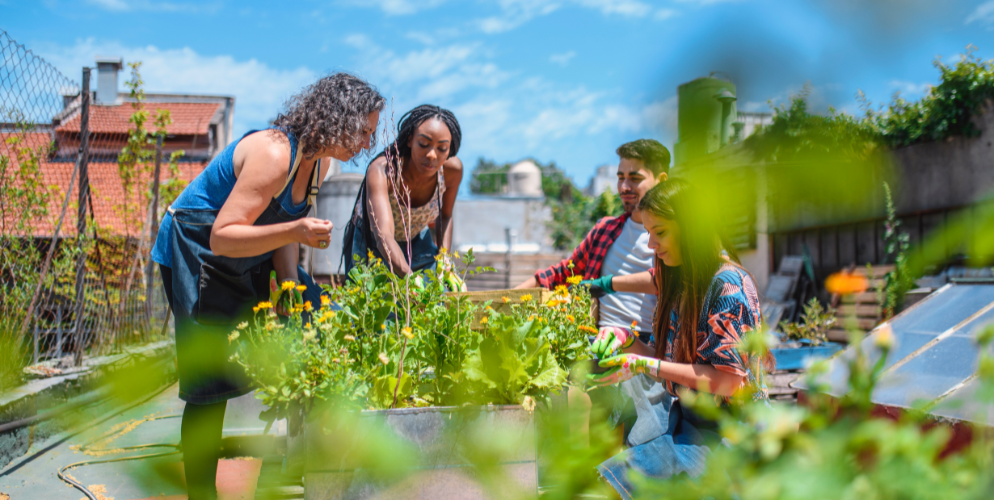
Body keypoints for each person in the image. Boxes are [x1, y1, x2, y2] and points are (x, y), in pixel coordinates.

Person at [150, 73, 385, 500]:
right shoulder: (275, 154)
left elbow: (282, 231)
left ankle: (309, 460)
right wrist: (297, 230)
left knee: (315, 317)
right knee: (210, 385)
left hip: (245, 253)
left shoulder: (320, 164)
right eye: (363, 131)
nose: (367, 143)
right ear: (339, 118)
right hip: (198, 250)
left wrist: (291, 289)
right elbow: (223, 236)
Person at [586, 178, 771, 499]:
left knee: (619, 486)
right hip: (691, 426)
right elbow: (669, 364)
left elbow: (729, 382)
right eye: (648, 232)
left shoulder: (728, 286)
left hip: (735, 436)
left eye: (660, 232)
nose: (651, 244)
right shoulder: (681, 281)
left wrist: (642, 364)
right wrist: (626, 339)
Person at [343, 105, 463, 277]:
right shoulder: (384, 170)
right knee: (371, 293)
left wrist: (444, 259)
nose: (432, 155)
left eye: (442, 148)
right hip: (373, 242)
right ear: (410, 140)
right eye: (423, 144)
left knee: (440, 289)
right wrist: (411, 280)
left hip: (416, 239)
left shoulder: (452, 171)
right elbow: (384, 235)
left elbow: (445, 216)